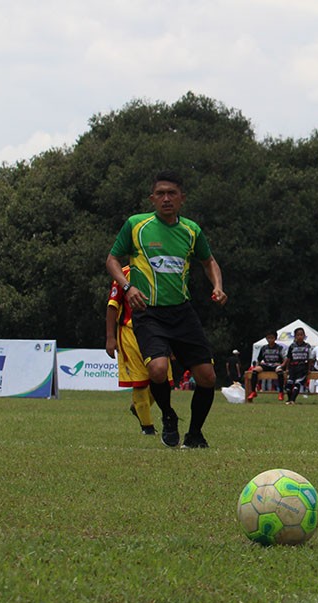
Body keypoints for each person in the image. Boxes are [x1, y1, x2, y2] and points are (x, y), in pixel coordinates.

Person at [105, 170, 226, 449]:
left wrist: (218, 286)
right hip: (149, 312)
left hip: (182, 312)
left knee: (207, 377)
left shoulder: (191, 230)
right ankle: (168, 416)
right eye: (160, 194)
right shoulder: (137, 225)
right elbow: (112, 259)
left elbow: (209, 262)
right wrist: (127, 286)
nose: (166, 198)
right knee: (158, 370)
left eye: (172, 193)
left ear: (182, 198)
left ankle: (194, 435)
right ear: (152, 198)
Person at [105, 265, 158, 436]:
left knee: (162, 378)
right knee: (140, 381)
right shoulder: (124, 274)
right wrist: (110, 338)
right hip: (130, 333)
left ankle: (139, 407)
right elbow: (112, 305)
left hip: (157, 332)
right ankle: (147, 427)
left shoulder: (160, 270)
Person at [247, 332, 287, 402]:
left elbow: (285, 358)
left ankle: (281, 392)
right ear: (266, 338)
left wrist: (282, 365)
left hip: (276, 365)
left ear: (275, 338)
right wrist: (257, 366)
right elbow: (259, 359)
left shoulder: (280, 348)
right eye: (268, 338)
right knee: (254, 371)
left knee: (280, 372)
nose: (270, 340)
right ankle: (253, 391)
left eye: (272, 338)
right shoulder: (264, 348)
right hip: (266, 364)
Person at [284, 327, 312, 405]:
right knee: (289, 385)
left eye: (301, 335)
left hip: (303, 367)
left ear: (304, 336)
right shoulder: (292, 346)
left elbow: (310, 359)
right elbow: (289, 358)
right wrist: (287, 368)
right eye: (298, 335)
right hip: (293, 367)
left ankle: (292, 400)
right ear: (295, 336)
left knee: (297, 383)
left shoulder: (307, 346)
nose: (300, 336)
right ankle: (289, 399)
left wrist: (309, 369)